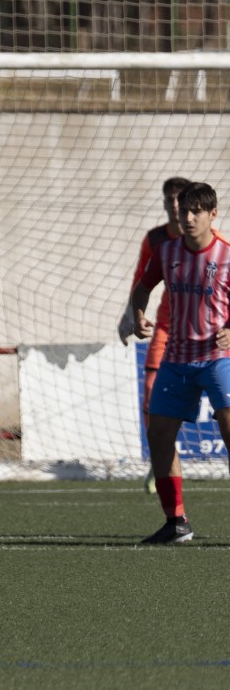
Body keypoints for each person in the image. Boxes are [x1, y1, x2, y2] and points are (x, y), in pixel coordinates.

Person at [130, 181, 230, 544]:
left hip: (219, 359)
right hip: (176, 359)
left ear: (212, 214)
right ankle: (176, 522)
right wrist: (138, 313)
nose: (188, 217)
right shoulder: (166, 250)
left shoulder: (227, 255)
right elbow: (143, 287)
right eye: (184, 210)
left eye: (196, 211)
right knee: (158, 437)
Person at [118, 176, 190, 494]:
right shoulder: (156, 240)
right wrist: (131, 318)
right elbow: (141, 282)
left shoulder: (215, 244)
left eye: (179, 200)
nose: (174, 206)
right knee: (152, 399)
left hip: (207, 335)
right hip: (166, 329)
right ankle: (162, 461)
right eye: (168, 200)